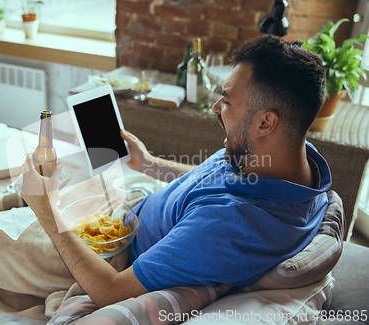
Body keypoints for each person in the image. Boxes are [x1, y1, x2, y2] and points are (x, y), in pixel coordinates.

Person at [21, 35, 331, 308]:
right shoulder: (296, 162)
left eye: (227, 100)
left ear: (266, 122)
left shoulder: (230, 227)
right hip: (136, 208)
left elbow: (110, 292)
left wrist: (45, 210)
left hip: (117, 253)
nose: (216, 108)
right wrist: (149, 164)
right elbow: (213, 182)